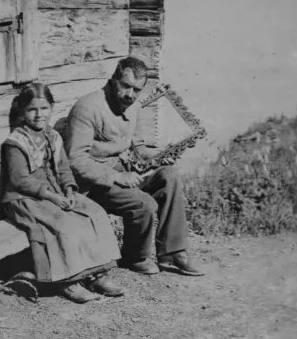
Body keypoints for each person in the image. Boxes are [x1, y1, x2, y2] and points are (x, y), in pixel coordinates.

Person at [63, 57, 205, 276]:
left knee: (169, 175)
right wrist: (117, 177)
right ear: (113, 81)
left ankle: (173, 251)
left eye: (136, 90)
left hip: (124, 173)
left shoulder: (134, 106)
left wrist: (159, 156)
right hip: (93, 184)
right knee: (144, 202)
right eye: (125, 86)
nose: (130, 95)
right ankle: (135, 256)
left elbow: (137, 146)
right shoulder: (87, 108)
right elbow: (76, 161)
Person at [0, 82, 125, 303]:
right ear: (22, 111)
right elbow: (20, 180)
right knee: (63, 224)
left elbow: (64, 169)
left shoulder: (53, 136)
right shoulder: (16, 142)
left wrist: (68, 190)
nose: (39, 115)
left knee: (95, 213)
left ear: (51, 108)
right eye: (32, 110)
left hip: (55, 193)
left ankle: (95, 274)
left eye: (44, 108)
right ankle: (68, 281)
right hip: (25, 198)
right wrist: (52, 196)